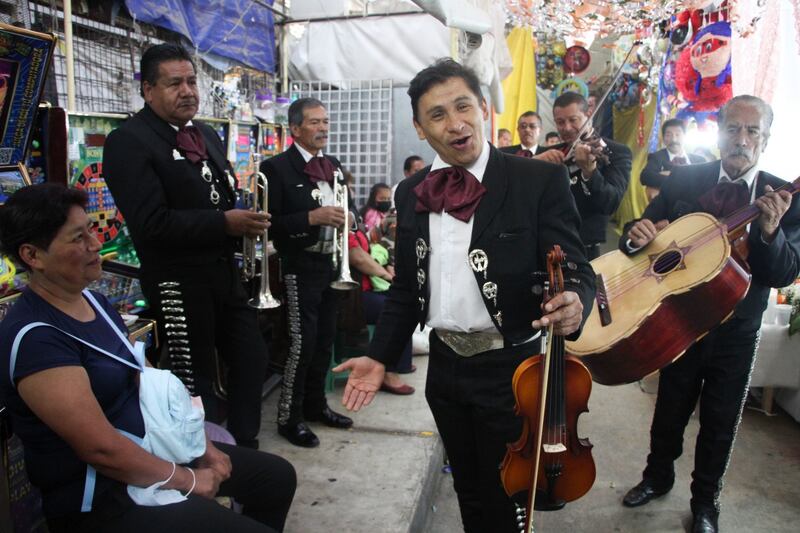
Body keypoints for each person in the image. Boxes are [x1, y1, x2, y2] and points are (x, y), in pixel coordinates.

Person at [333, 58, 596, 532]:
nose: (455, 124)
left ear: (482, 107)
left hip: (512, 371)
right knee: (468, 491)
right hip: (445, 368)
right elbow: (408, 289)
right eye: (437, 115)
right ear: (419, 126)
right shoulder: (412, 191)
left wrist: (575, 299)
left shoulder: (536, 180)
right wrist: (379, 356)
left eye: (463, 106)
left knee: (505, 499)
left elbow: (575, 266)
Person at [0, 184, 296, 533]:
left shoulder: (95, 302)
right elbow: (100, 450)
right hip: (105, 496)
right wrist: (187, 478)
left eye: (91, 231)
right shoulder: (36, 338)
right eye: (78, 238)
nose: (95, 246)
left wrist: (199, 445)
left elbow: (146, 381)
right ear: (33, 256)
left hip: (153, 450)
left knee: (276, 477)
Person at [620, 95, 800, 533]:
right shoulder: (685, 179)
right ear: (717, 132)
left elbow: (783, 272)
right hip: (679, 321)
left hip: (739, 329)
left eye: (752, 131)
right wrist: (637, 235)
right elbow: (637, 235)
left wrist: (770, 232)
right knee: (669, 411)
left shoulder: (784, 195)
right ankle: (656, 477)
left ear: (766, 138)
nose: (741, 140)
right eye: (732, 129)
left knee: (720, 421)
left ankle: (705, 503)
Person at [103, 44, 270, 449]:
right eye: (174, 83)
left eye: (192, 81)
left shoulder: (206, 134)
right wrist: (223, 222)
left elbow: (222, 195)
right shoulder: (128, 141)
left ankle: (243, 450)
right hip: (176, 284)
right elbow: (151, 223)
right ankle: (205, 462)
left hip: (224, 278)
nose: (187, 91)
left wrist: (244, 220)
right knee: (194, 382)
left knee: (252, 360)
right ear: (147, 90)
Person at [259, 97, 353, 448]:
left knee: (325, 339)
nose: (323, 128)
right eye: (315, 122)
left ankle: (316, 406)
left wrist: (350, 217)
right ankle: (289, 418)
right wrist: (311, 219)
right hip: (300, 265)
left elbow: (347, 205)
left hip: (331, 264)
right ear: (295, 129)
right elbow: (268, 225)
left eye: (325, 122)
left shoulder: (334, 165)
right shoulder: (276, 168)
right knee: (302, 343)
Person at [543, 91, 632, 260]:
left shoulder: (617, 152)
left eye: (573, 120)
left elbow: (611, 202)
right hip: (549, 243)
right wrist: (535, 162)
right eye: (560, 122)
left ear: (588, 115)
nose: (567, 128)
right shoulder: (552, 152)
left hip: (586, 247)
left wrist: (590, 172)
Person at [346, 214, 415, 395]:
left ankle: (401, 363)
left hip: (367, 290)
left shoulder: (353, 230)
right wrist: (387, 276)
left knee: (405, 303)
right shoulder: (342, 234)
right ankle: (388, 371)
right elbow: (358, 258)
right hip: (353, 297)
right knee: (393, 310)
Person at [640, 118, 705, 200]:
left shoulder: (700, 160)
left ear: (685, 136)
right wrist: (678, 181)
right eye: (668, 135)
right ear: (663, 138)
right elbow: (645, 176)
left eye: (678, 134)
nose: (674, 139)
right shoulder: (657, 157)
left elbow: (705, 182)